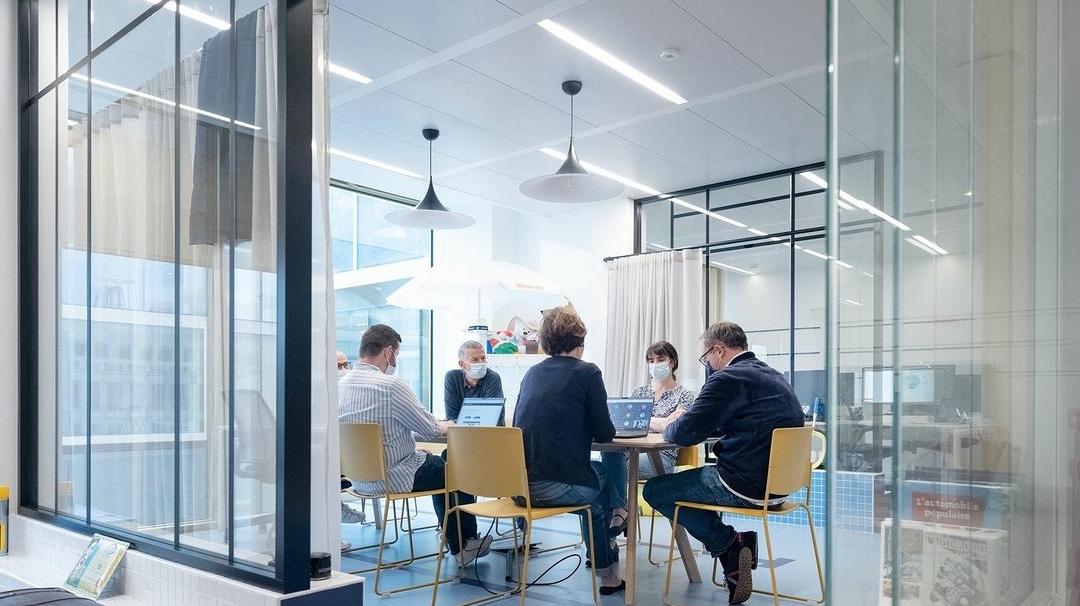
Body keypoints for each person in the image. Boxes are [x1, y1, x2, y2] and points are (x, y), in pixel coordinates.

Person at [642, 321, 804, 605]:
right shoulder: (774, 376)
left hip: (743, 483)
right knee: (688, 484)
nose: (707, 365)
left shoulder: (726, 378)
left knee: (655, 490)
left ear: (718, 350)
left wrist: (669, 424)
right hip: (781, 486)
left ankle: (730, 543)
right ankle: (732, 549)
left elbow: (685, 433)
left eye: (706, 357)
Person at [339, 324, 492, 566]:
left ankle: (456, 539)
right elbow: (430, 428)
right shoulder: (390, 385)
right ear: (389, 352)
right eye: (397, 354)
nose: (395, 360)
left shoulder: (340, 385)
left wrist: (409, 448)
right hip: (396, 476)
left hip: (360, 479)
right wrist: (447, 425)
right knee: (457, 470)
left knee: (437, 466)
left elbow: (381, 430)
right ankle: (464, 544)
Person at [512, 306, 625, 595]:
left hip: (517, 488)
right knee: (600, 473)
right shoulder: (588, 372)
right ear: (580, 339)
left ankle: (608, 568)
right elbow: (605, 434)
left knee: (594, 504)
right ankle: (620, 514)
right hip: (554, 488)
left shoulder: (531, 374)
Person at [600, 340, 695, 536]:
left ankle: (615, 524)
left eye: (660, 359)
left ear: (672, 362)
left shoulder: (684, 395)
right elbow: (625, 424)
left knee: (607, 473)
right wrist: (659, 422)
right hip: (630, 451)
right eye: (651, 361)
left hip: (662, 457)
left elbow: (672, 425)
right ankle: (619, 515)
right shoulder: (639, 392)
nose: (655, 364)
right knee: (610, 455)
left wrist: (642, 420)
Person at [443, 339, 504, 422]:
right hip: (460, 430)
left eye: (483, 358)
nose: (481, 363)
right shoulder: (452, 378)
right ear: (462, 364)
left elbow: (492, 419)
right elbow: (451, 418)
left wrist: (463, 421)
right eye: (475, 360)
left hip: (489, 430)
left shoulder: (492, 378)